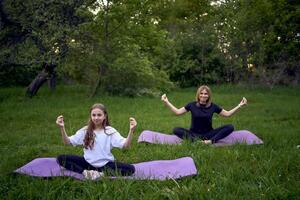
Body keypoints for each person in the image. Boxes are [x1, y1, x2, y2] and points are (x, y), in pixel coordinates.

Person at [56, 103, 137, 180]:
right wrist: (62, 128)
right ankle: (85, 173)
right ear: (90, 116)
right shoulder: (85, 130)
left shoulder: (110, 131)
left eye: (99, 115)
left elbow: (125, 145)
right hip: (87, 164)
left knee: (131, 169)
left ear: (104, 116)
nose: (96, 118)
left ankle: (101, 174)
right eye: (93, 115)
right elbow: (67, 142)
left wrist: (131, 130)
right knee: (61, 159)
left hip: (105, 165)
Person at [161, 85, 247, 144]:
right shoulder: (192, 105)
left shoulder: (213, 106)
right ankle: (197, 142)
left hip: (209, 134)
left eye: (205, 94)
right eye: (201, 93)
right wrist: (166, 102)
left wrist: (240, 106)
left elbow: (227, 114)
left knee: (230, 127)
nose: (203, 95)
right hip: (193, 134)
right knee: (176, 130)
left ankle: (210, 142)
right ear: (198, 95)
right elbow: (177, 112)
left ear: (208, 95)